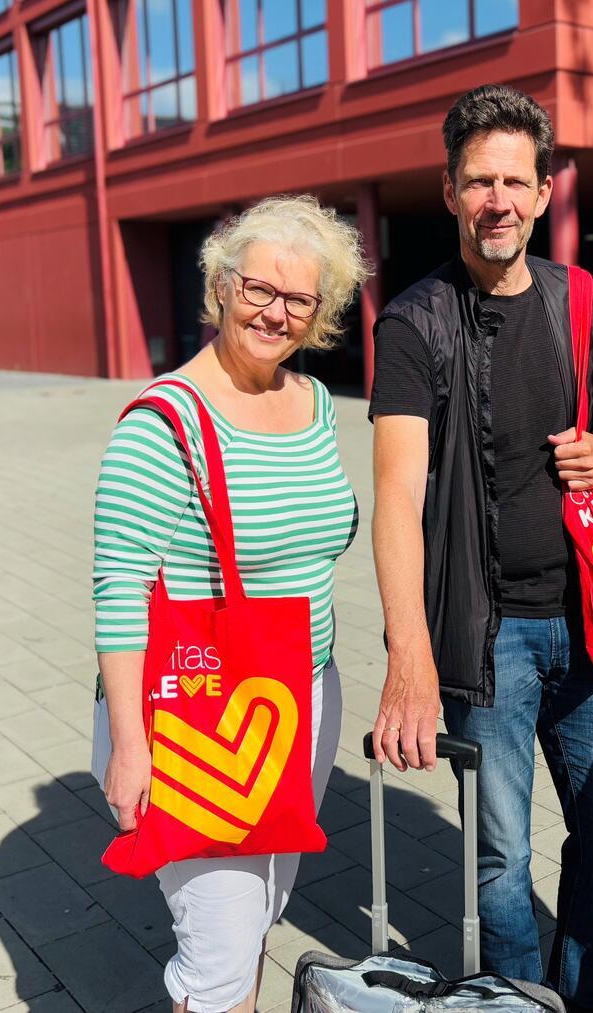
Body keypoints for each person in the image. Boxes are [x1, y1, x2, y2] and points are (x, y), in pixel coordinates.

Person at [367, 85, 593, 1013]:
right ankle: (521, 1002)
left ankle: (582, 994)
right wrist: (409, 655)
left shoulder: (581, 296)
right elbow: (398, 496)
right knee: (501, 856)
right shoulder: (413, 324)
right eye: (478, 180)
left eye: (515, 181)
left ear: (543, 191)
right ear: (449, 191)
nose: (499, 199)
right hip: (487, 641)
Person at [90, 195, 367, 1013]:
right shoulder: (164, 421)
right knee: (216, 957)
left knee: (256, 921)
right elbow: (118, 588)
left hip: (301, 697)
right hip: (197, 712)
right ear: (220, 285)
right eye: (258, 289)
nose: (274, 312)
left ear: (321, 312)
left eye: (298, 299)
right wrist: (130, 746)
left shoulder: (314, 404)